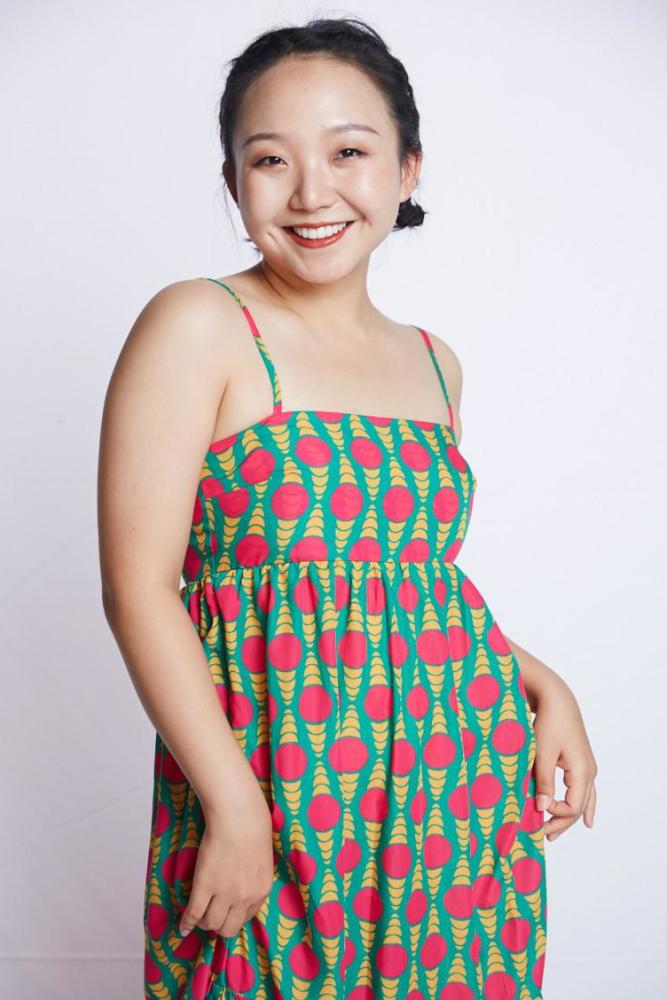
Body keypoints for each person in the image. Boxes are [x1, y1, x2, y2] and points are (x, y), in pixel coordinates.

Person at [98, 16, 598, 1000]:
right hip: (273, 779)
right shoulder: (199, 324)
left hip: (452, 785)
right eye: (270, 159)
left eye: (349, 152)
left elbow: (404, 589)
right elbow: (138, 589)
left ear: (407, 169)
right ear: (234, 180)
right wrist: (234, 807)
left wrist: (548, 686)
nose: (310, 192)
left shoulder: (435, 362)